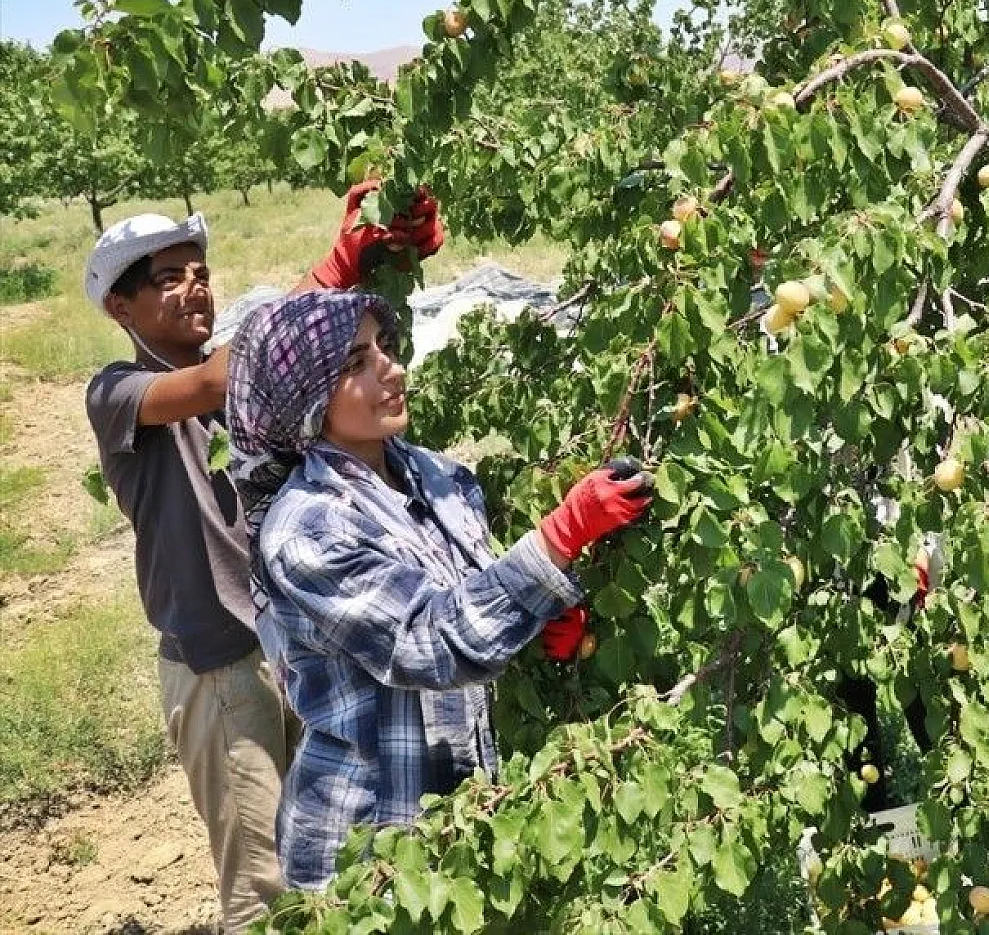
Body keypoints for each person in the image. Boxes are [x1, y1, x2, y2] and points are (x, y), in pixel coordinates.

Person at [82, 182, 443, 931]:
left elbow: (302, 365)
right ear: (120, 308)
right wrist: (335, 265)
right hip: (219, 667)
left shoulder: (235, 381)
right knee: (262, 887)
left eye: (201, 272)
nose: (195, 287)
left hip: (293, 649)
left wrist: (380, 258)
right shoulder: (118, 392)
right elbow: (227, 374)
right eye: (168, 278)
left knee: (326, 846)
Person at [224, 289, 653, 890]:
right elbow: (428, 643)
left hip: (461, 814)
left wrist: (538, 618)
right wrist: (560, 537)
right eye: (355, 363)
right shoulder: (309, 528)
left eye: (386, 347)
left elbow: (471, 600)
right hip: (366, 847)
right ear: (306, 400)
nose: (392, 369)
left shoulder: (438, 477)